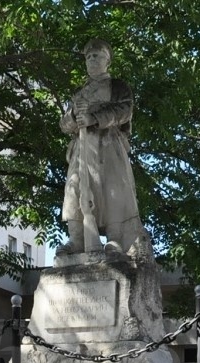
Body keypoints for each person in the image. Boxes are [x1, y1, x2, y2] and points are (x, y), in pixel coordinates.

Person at [57, 39, 144, 257]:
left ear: (108, 60)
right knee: (76, 190)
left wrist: (94, 118)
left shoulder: (118, 86)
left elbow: (125, 110)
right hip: (82, 148)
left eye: (97, 55)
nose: (92, 59)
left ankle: (114, 239)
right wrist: (75, 116)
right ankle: (76, 240)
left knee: (112, 191)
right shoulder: (79, 93)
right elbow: (64, 124)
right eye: (88, 56)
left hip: (108, 145)